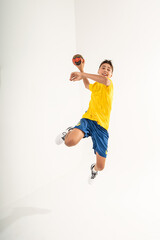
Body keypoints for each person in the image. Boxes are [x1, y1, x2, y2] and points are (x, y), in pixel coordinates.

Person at [55, 57, 114, 183]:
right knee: (69, 142)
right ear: (98, 70)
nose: (105, 70)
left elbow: (104, 80)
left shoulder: (108, 84)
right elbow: (87, 85)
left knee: (101, 166)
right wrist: (81, 68)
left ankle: (94, 169)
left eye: (108, 69)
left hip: (102, 128)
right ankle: (69, 132)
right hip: (88, 119)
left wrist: (82, 74)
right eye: (103, 67)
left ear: (111, 74)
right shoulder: (96, 86)